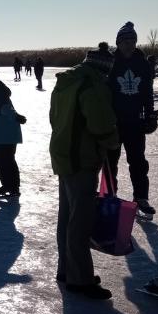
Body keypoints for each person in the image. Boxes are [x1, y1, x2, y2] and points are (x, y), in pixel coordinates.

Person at [49, 43, 119, 300]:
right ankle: (80, 280)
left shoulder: (67, 81)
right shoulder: (93, 85)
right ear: (104, 68)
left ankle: (66, 270)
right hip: (81, 159)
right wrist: (113, 140)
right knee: (80, 222)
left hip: (63, 156)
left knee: (67, 217)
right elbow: (101, 125)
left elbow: (54, 118)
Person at [107, 21, 158, 219]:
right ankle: (109, 195)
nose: (129, 44)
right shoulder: (110, 63)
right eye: (125, 41)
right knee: (110, 162)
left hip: (135, 122)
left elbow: (147, 92)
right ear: (118, 43)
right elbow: (102, 92)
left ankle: (141, 198)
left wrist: (150, 114)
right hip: (113, 122)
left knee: (138, 161)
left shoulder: (142, 64)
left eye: (132, 40)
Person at [0, 75, 26, 198]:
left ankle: (11, 186)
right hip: (5, 131)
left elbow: (6, 108)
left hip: (6, 133)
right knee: (4, 159)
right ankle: (11, 186)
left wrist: (16, 117)